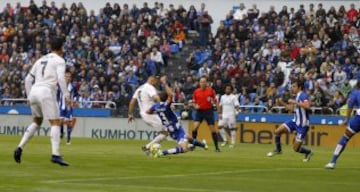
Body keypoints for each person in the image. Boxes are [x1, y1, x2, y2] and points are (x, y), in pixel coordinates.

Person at [13, 37, 70, 166]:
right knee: (55, 122)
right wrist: (66, 96)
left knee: (37, 121)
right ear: (61, 48)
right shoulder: (60, 60)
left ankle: (20, 147)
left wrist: (28, 96)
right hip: (46, 91)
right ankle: (55, 154)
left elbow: (28, 79)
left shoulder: (40, 60)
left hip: (34, 91)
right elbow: (61, 78)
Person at [147, 76, 208, 157]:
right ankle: (162, 153)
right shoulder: (166, 105)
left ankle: (203, 145)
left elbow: (148, 112)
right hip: (176, 130)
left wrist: (157, 112)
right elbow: (171, 94)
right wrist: (165, 83)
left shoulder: (155, 106)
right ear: (166, 99)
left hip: (171, 129)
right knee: (185, 149)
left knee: (188, 137)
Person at [267, 80, 314, 162]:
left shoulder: (303, 95)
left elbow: (307, 106)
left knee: (296, 148)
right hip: (295, 121)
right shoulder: (297, 96)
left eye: (294, 86)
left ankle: (308, 152)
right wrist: (282, 103)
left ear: (299, 87)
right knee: (277, 131)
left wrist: (294, 102)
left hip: (302, 125)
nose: (292, 88)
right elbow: (292, 109)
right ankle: (278, 150)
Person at [128, 76, 167, 154]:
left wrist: (130, 114)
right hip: (150, 114)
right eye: (156, 82)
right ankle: (148, 147)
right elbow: (156, 98)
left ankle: (148, 147)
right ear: (152, 81)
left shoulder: (139, 89)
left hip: (144, 115)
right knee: (167, 131)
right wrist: (161, 107)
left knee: (165, 131)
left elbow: (132, 102)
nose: (157, 84)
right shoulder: (150, 87)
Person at [325, 81, 360, 169]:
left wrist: (346, 119)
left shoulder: (355, 92)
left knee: (345, 138)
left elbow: (350, 106)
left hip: (358, 119)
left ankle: (332, 162)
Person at [192, 76, 220, 152]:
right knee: (195, 128)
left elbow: (216, 101)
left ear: (206, 83)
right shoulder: (196, 91)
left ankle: (217, 147)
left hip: (208, 111)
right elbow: (194, 102)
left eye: (204, 82)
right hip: (199, 112)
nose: (202, 83)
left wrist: (219, 111)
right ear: (199, 83)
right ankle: (193, 145)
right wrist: (195, 106)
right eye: (201, 82)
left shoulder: (211, 91)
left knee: (213, 130)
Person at [58, 70, 75, 145]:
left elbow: (76, 95)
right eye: (66, 76)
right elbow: (57, 95)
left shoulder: (73, 87)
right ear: (64, 77)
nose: (68, 78)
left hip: (69, 107)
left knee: (69, 122)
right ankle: (61, 132)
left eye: (69, 77)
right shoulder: (60, 86)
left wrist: (73, 100)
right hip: (61, 106)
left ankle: (68, 137)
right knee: (60, 121)